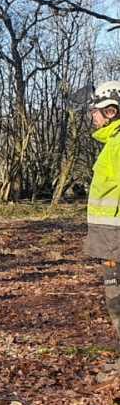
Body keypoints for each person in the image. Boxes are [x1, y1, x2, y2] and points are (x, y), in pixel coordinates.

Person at [85, 81, 120, 350]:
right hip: (110, 239)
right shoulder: (112, 143)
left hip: (116, 240)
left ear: (111, 111)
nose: (92, 116)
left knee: (117, 300)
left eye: (95, 110)